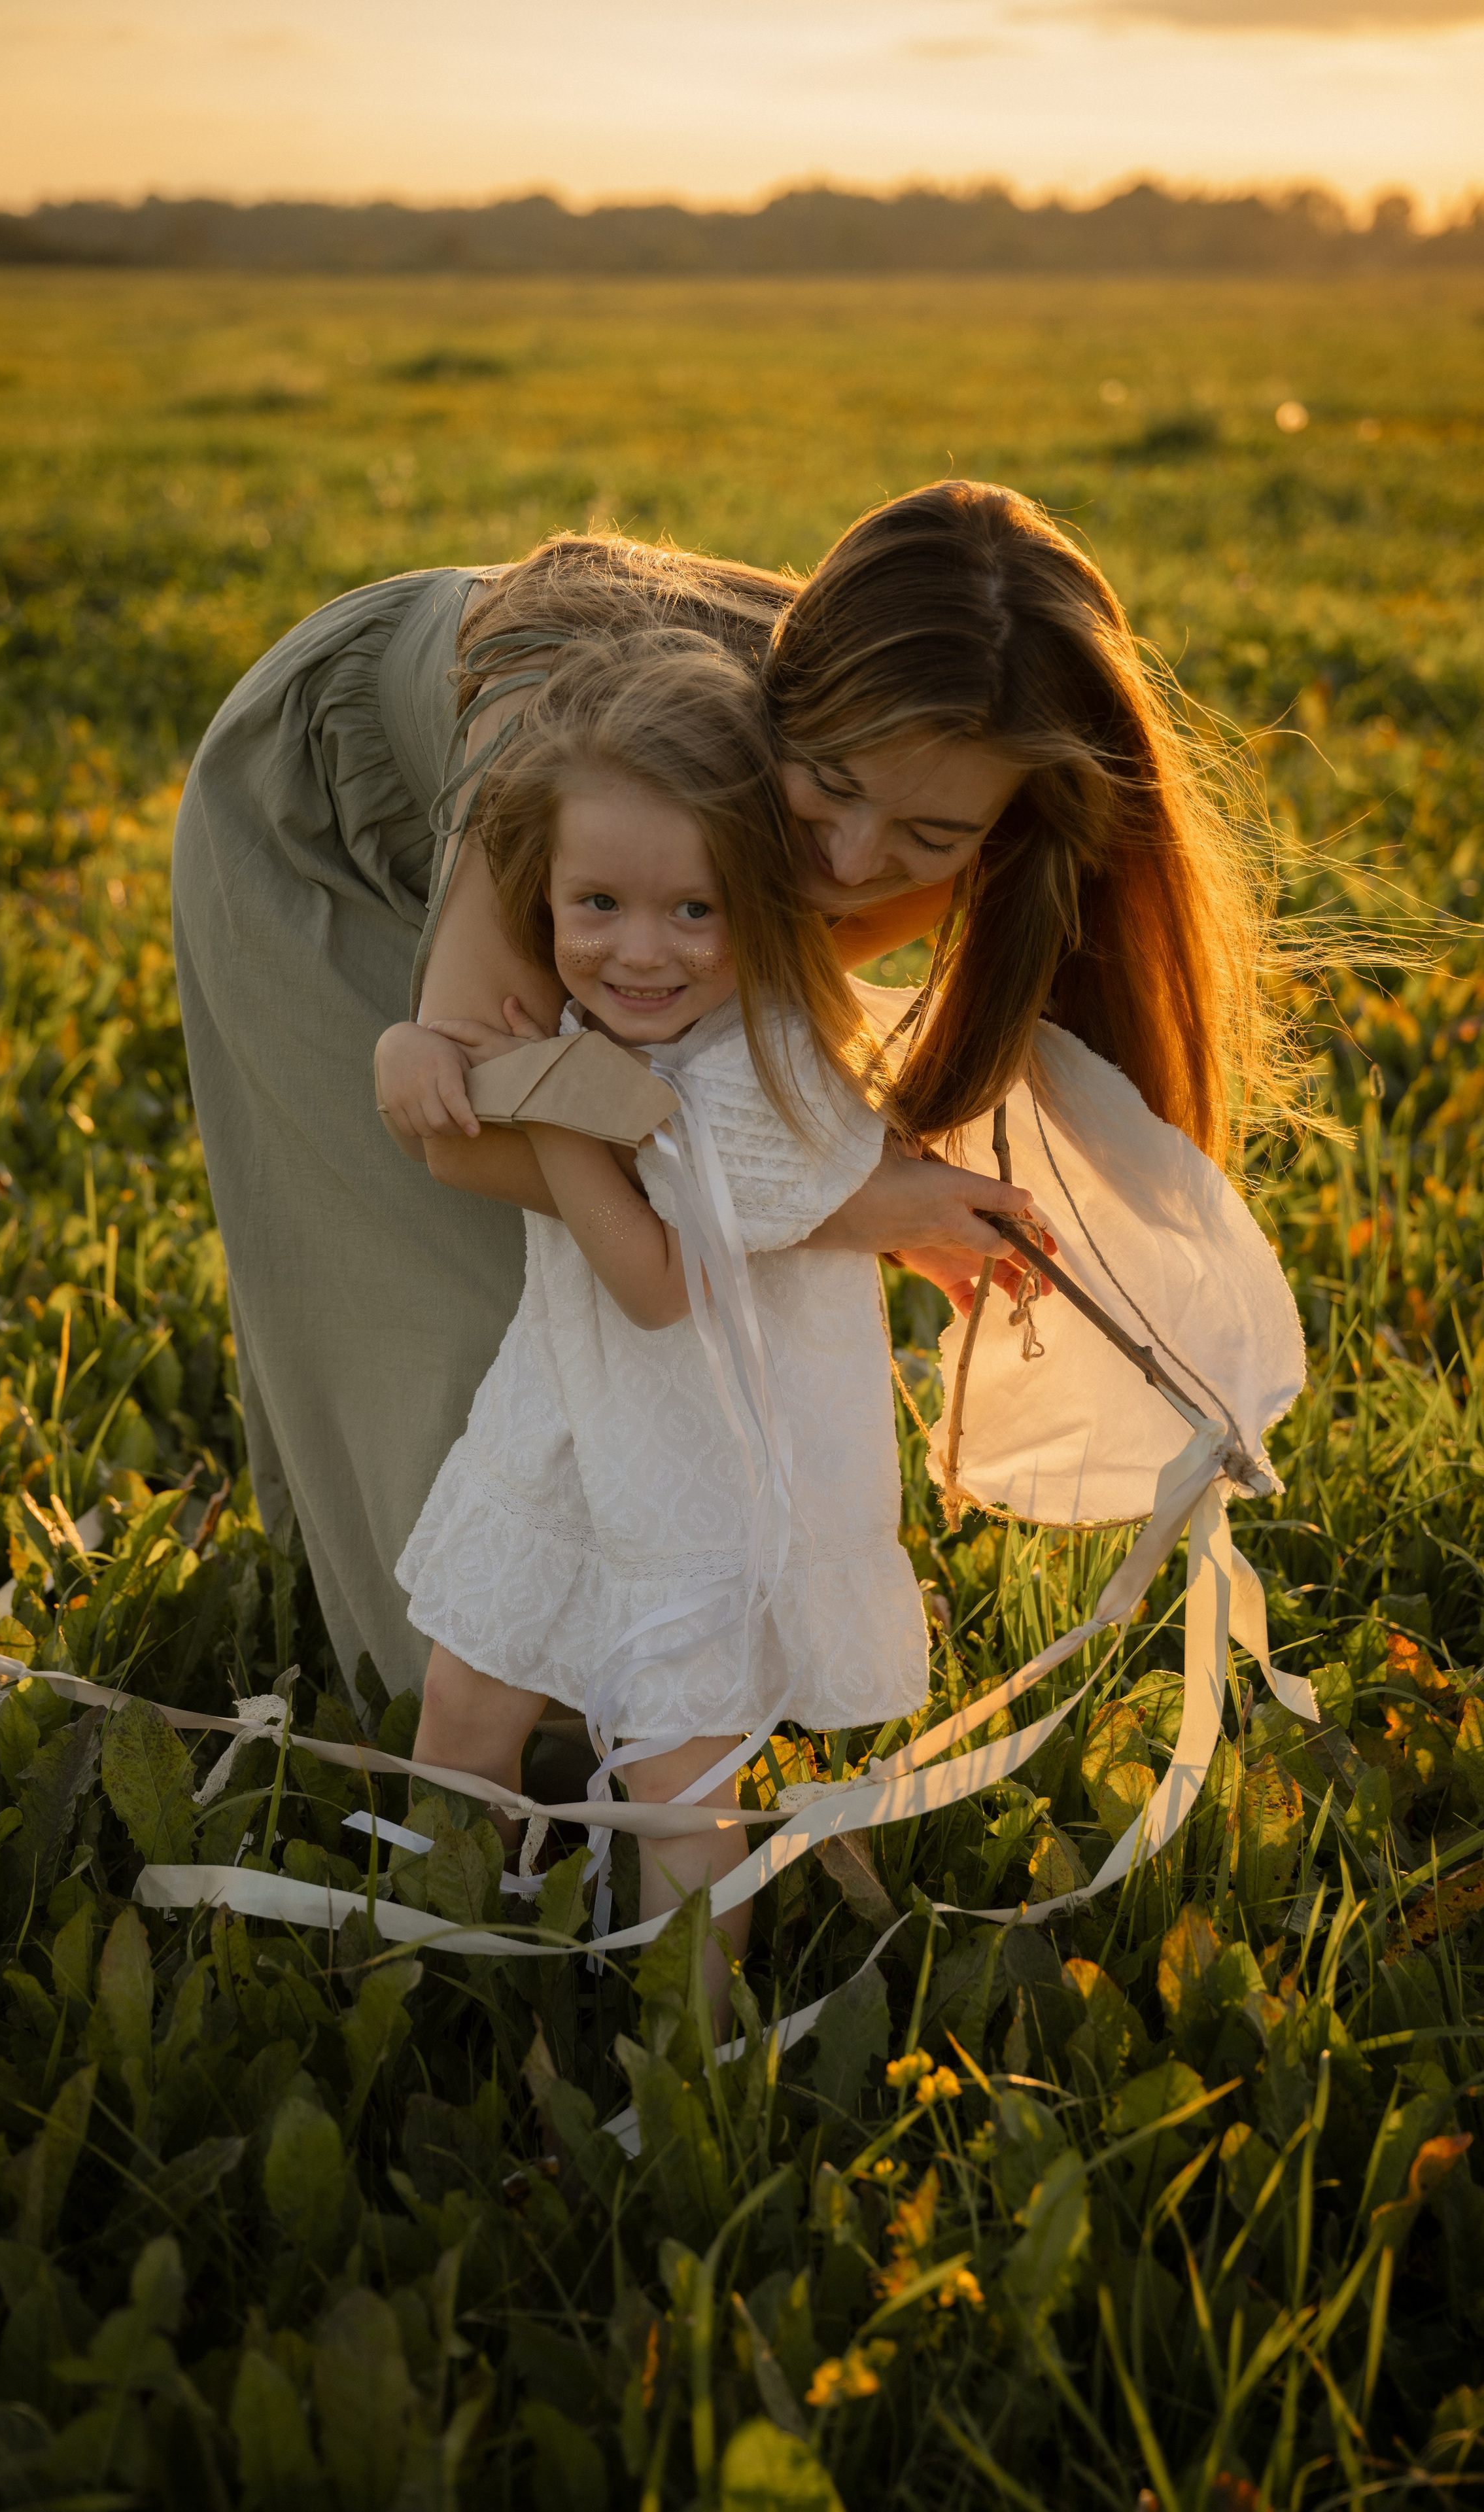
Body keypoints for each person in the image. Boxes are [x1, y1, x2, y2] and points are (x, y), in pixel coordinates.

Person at [172, 481, 1268, 1703]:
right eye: (834, 786)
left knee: (623, 1317)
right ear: (788, 706)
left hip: (585, 875)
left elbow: (699, 1063)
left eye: (929, 832)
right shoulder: (593, 772)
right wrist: (846, 1206)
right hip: (323, 798)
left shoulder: (964, 817)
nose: (851, 864)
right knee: (464, 1349)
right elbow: (469, 1139)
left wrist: (853, 1186)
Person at [390, 631, 931, 2015]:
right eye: (598, 905)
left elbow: (647, 1280)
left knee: (672, 1777)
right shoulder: (585, 1015)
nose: (640, 951)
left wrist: (561, 1103)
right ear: (544, 896)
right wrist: (420, 1050)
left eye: (694, 911)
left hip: (699, 1461)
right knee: (464, 1702)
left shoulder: (771, 1070)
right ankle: (457, 1962)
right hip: (563, 1421)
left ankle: (688, 2047)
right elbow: (457, 1064)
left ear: (761, 903)